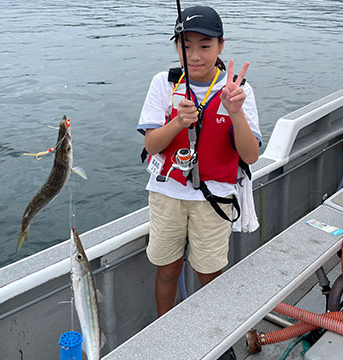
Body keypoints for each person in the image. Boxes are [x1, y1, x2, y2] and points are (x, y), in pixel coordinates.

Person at [137, 5, 262, 317]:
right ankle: (164, 332)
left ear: (220, 45)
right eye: (185, 46)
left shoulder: (238, 89)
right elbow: (152, 146)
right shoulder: (163, 83)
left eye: (205, 46)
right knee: (167, 271)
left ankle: (212, 338)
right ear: (176, 46)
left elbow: (250, 155)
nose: (194, 56)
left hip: (215, 198)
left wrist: (235, 112)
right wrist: (177, 123)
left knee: (210, 274)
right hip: (167, 195)